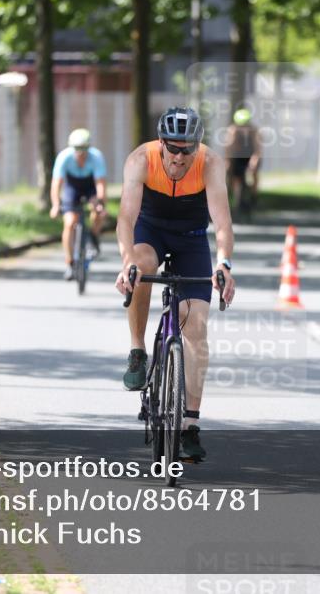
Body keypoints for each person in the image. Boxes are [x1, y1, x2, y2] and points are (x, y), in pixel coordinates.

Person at [115, 107, 236, 462]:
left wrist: (224, 264)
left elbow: (223, 224)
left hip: (191, 239)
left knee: (195, 324)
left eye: (188, 150)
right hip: (149, 233)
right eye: (173, 148)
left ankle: (190, 426)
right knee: (143, 266)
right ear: (161, 143)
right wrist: (127, 263)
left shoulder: (210, 164)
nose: (180, 157)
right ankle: (138, 350)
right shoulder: (141, 159)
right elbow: (125, 218)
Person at [50, 129, 108, 281]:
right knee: (69, 223)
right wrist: (56, 205)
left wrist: (101, 203)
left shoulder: (96, 157)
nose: (80, 153)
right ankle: (69, 262)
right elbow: (56, 184)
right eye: (77, 149)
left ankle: (94, 236)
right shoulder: (64, 157)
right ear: (71, 147)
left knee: (98, 212)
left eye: (83, 149)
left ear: (89, 147)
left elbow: (100, 184)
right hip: (72, 188)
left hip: (90, 187)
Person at [223, 107, 262, 211]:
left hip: (251, 155)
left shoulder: (254, 131)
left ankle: (254, 196)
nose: (243, 128)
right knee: (235, 177)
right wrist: (228, 162)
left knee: (254, 173)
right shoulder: (232, 131)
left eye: (245, 125)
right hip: (238, 156)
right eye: (241, 126)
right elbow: (228, 148)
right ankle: (236, 200)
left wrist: (253, 163)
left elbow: (258, 150)